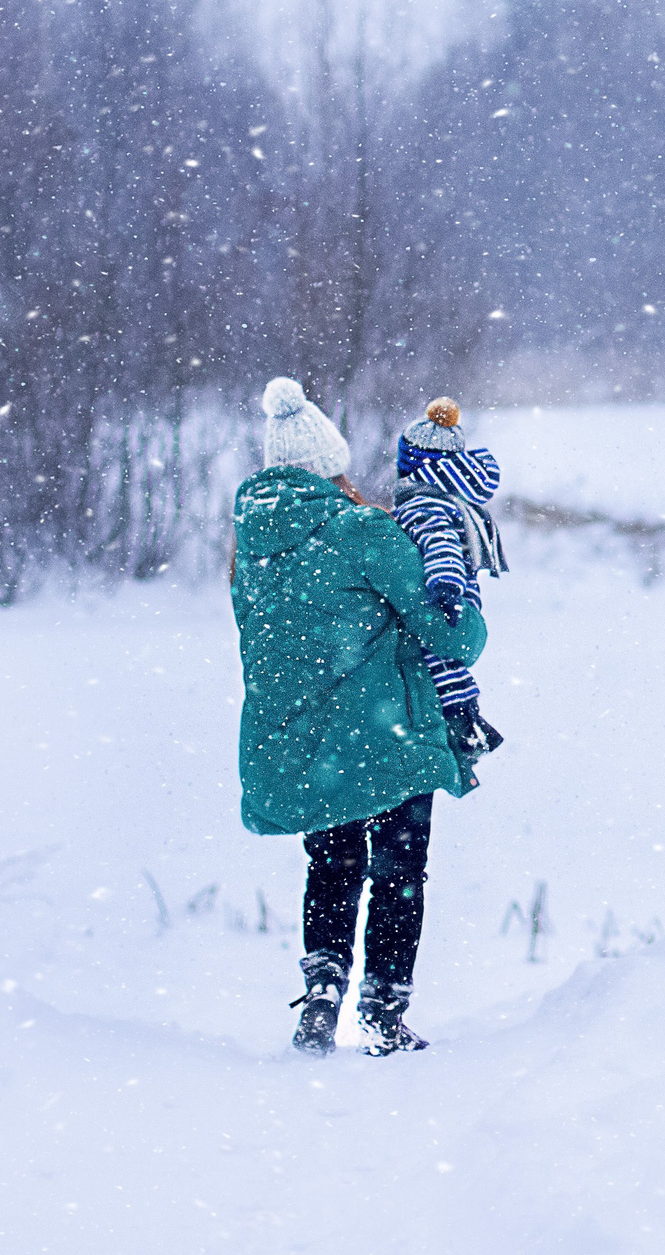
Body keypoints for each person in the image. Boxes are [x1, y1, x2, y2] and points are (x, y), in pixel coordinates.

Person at [231, 376, 486, 1057]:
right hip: (386, 738)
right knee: (399, 870)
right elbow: (455, 638)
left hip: (305, 749)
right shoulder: (362, 530)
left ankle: (321, 990)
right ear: (331, 465)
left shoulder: (249, 550)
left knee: (332, 862)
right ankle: (383, 1008)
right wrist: (468, 600)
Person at [390, 397, 509, 761]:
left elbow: (438, 541)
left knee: (437, 661)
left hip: (446, 593)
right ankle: (468, 720)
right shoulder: (445, 498)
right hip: (456, 590)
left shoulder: (423, 504)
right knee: (446, 661)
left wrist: (444, 586)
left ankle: (462, 721)